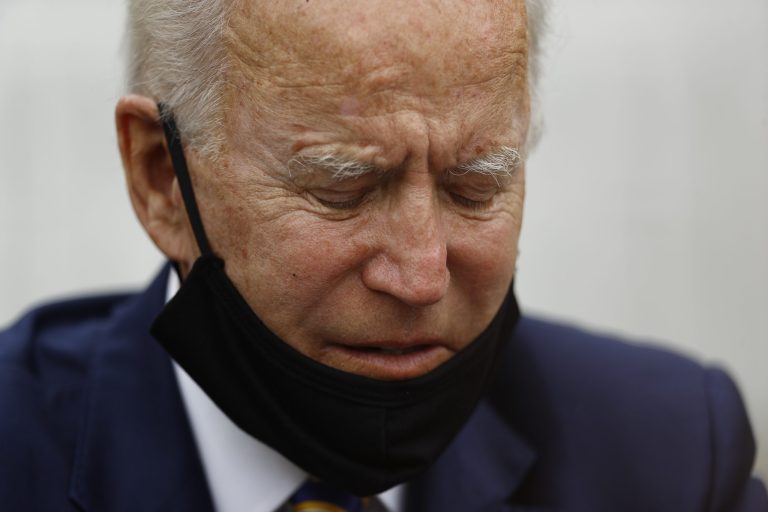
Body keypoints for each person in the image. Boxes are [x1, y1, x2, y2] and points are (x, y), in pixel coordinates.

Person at [0, 0, 765, 510]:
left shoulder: (668, 459)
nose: (422, 274)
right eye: (345, 187)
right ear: (162, 178)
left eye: (475, 185)